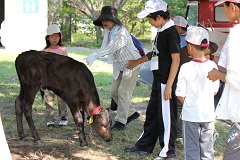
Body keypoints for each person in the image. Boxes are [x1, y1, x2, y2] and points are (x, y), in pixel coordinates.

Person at [124, 0, 180, 159]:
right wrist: (137, 62)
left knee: (166, 118)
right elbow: (154, 54)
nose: (148, 22)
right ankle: (144, 146)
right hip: (158, 81)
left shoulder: (171, 32)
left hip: (166, 83)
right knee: (152, 115)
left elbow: (176, 60)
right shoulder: (161, 30)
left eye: (149, 18)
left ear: (160, 16)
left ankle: (168, 152)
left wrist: (169, 85)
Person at [85, 6, 143, 131]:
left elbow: (113, 47)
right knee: (114, 91)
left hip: (132, 64)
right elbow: (104, 47)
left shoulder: (121, 31)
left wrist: (96, 54)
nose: (104, 22)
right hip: (119, 66)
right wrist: (96, 53)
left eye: (107, 20)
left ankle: (121, 121)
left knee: (123, 92)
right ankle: (132, 113)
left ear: (114, 21)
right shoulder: (108, 32)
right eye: (103, 20)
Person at [173, 16, 219, 144]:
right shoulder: (212, 66)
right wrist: (202, 52)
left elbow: (180, 95)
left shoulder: (183, 58)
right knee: (207, 150)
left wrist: (200, 53)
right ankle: (179, 134)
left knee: (178, 108)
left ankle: (179, 134)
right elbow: (215, 91)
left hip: (191, 112)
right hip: (207, 114)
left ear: (190, 47)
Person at [207, 1, 240, 159]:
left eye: (224, 8)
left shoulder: (237, 33)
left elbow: (237, 78)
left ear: (232, 7)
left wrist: (217, 75)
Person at [43, 24, 69, 127]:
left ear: (60, 37)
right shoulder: (45, 51)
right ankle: (50, 119)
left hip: (61, 79)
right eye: (52, 36)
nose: (55, 38)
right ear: (48, 38)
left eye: (57, 36)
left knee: (61, 99)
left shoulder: (63, 50)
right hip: (49, 80)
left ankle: (63, 117)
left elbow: (67, 64)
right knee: (49, 99)